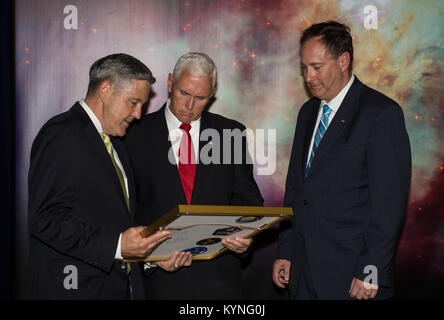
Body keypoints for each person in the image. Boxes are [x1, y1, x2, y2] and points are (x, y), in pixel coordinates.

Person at [272, 21, 411, 300]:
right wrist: (286, 250)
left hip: (353, 277)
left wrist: (371, 269)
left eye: (317, 67)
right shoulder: (308, 112)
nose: (308, 76)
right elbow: (296, 190)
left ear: (344, 60)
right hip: (303, 274)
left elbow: (388, 206)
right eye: (304, 68)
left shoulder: (381, 114)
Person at [27, 53, 172, 299]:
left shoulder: (117, 142)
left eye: (142, 105)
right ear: (105, 90)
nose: (138, 114)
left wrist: (148, 255)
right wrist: (117, 246)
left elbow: (114, 221)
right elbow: (46, 220)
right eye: (133, 102)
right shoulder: (63, 134)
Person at [123, 52, 264, 299]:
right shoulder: (132, 135)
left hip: (220, 284)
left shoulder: (230, 133)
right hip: (157, 284)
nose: (190, 105)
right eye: (184, 94)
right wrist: (150, 258)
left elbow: (248, 199)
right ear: (170, 83)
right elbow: (123, 212)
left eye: (200, 98)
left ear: (213, 93)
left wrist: (245, 237)